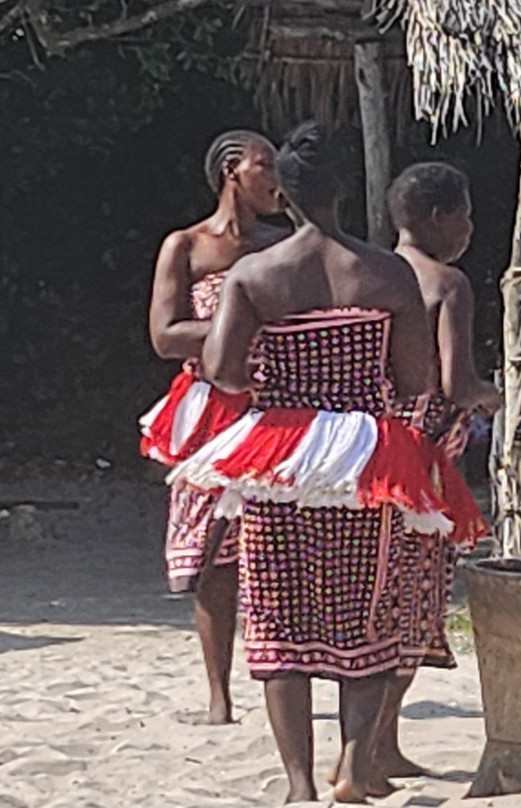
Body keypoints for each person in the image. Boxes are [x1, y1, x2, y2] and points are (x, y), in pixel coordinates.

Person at [167, 122, 488, 804]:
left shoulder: (255, 273)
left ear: (282, 193)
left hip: (279, 452)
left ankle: (299, 784)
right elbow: (412, 381)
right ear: (345, 189)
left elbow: (222, 370)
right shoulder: (386, 271)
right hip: (365, 454)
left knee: (279, 615)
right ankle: (352, 763)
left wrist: (279, 366)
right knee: (364, 613)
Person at [360, 161, 502, 777]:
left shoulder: (366, 274)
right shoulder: (448, 283)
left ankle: (376, 745)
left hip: (368, 453)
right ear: (440, 218)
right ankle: (378, 746)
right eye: (465, 215)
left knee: (373, 598)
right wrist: (492, 396)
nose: (469, 229)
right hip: (425, 464)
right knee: (413, 602)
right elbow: (454, 380)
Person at [139, 129, 285, 724]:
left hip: (276, 407)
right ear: (231, 170)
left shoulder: (285, 246)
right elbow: (165, 335)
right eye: (265, 164)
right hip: (211, 414)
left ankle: (282, 680)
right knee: (211, 555)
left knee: (277, 547)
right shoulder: (186, 246)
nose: (277, 177)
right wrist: (239, 320)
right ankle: (219, 697)